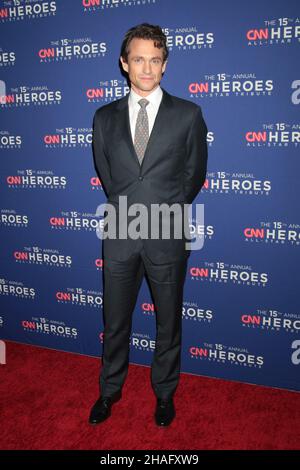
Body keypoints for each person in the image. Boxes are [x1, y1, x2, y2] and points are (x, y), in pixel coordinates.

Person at [89, 23, 208, 427]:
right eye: (138, 59)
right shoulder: (103, 117)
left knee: (168, 321)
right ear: (124, 63)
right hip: (120, 233)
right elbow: (109, 176)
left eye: (155, 60)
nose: (146, 68)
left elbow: (193, 177)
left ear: (165, 65)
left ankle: (164, 393)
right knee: (115, 320)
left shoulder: (189, 115)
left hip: (167, 233)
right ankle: (109, 390)